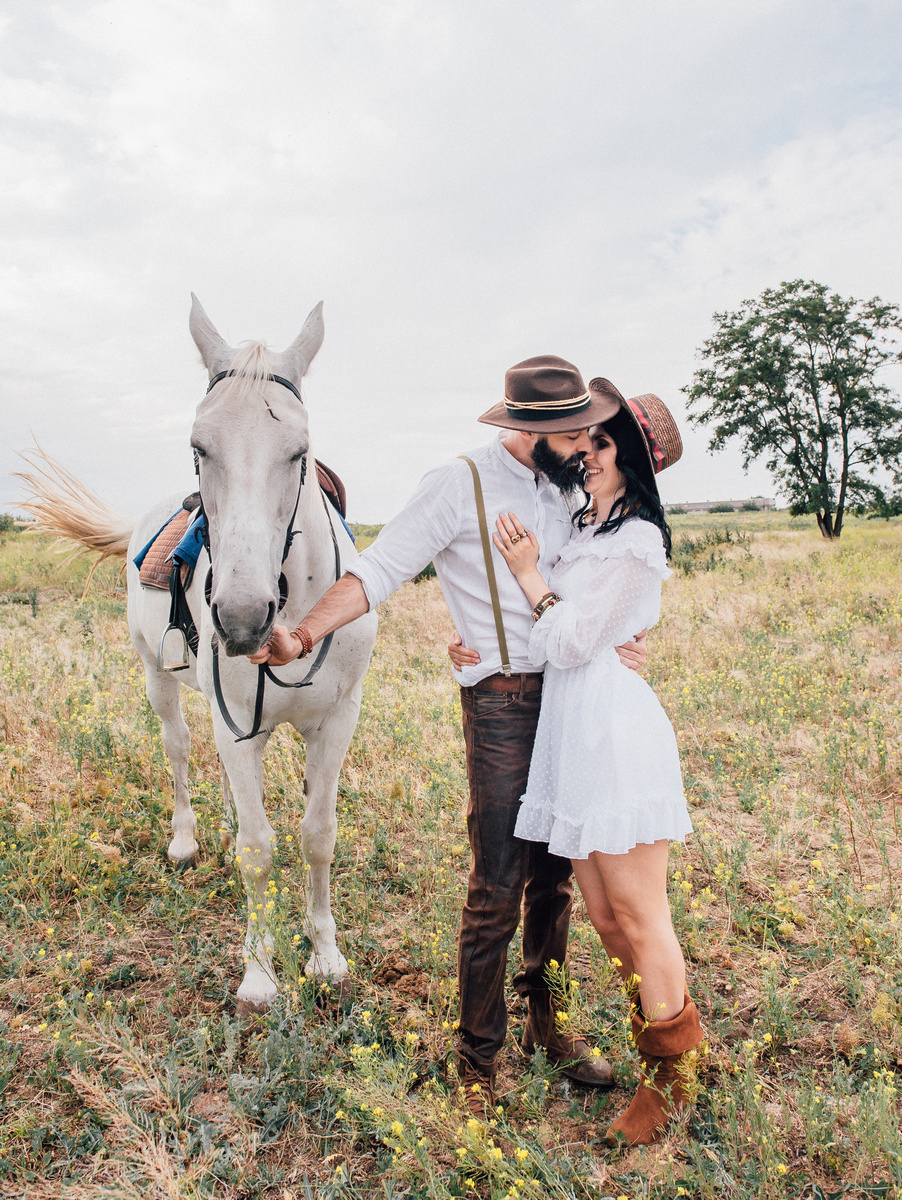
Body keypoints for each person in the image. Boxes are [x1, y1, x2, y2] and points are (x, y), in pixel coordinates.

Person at [248, 356, 648, 1111]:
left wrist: (628, 637)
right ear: (536, 431)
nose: (587, 442)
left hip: (573, 698)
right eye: (574, 432)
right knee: (496, 885)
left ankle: (547, 1024)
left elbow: (603, 575)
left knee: (553, 879)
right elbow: (376, 572)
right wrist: (302, 637)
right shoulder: (455, 485)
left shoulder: (570, 490)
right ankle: (477, 1061)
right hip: (500, 706)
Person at [452, 389, 704, 1145]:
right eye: (584, 442)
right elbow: (564, 632)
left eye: (599, 444)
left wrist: (531, 576)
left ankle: (671, 1080)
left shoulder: (637, 544)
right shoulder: (590, 527)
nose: (582, 454)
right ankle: (660, 1050)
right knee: (603, 915)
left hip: (614, 736)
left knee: (639, 915)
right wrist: (472, 644)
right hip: (574, 731)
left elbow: (565, 639)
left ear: (632, 460)